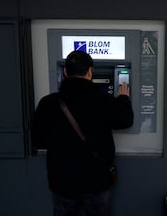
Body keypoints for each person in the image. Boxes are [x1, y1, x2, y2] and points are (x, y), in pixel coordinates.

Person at [33, 50, 134, 216]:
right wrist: (123, 98)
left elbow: (38, 139)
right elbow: (126, 121)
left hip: (62, 182)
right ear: (90, 72)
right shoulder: (104, 101)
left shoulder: (47, 103)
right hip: (97, 181)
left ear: (65, 72)